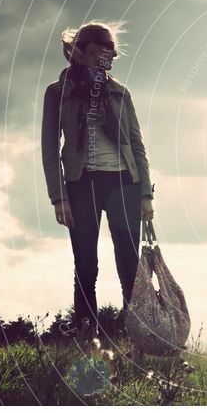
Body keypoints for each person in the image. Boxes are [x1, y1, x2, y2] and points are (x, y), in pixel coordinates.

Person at [41, 21, 154, 339]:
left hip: (123, 183)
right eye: (107, 51)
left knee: (129, 264)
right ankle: (86, 332)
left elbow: (136, 144)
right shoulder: (57, 93)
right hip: (82, 184)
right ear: (90, 51)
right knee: (86, 264)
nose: (112, 57)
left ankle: (135, 332)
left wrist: (145, 193)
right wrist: (58, 197)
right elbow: (49, 149)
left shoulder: (120, 92)